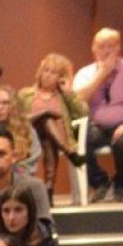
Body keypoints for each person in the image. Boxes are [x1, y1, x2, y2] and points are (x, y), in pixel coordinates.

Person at [73, 28, 123, 202]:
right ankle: (100, 183)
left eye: (111, 46)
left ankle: (121, 185)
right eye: (102, 46)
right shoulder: (86, 73)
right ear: (93, 48)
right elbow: (78, 100)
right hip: (96, 126)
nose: (106, 51)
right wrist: (102, 74)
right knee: (77, 139)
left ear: (118, 48)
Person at [27, 53, 87, 196]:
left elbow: (83, 113)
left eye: (53, 73)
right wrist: (43, 113)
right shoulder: (26, 94)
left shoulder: (63, 97)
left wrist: (69, 93)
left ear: (61, 78)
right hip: (30, 136)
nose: (47, 75)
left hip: (54, 138)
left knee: (48, 139)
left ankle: (48, 188)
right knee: (45, 118)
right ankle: (69, 153)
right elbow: (18, 117)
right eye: (46, 70)